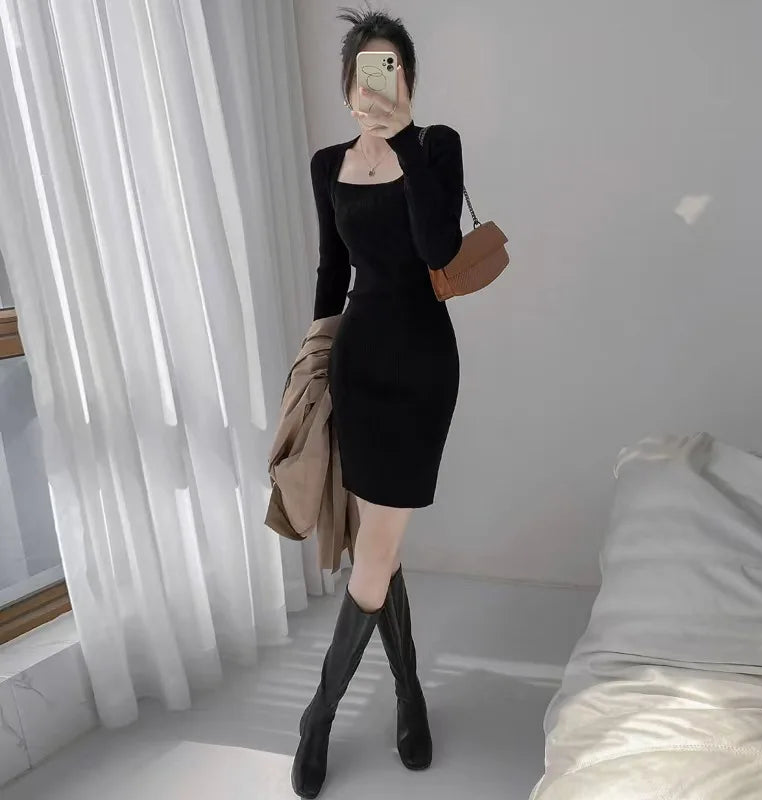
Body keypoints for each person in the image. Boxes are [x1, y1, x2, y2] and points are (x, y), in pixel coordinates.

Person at [291, 7, 463, 798]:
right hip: (356, 365)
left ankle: (317, 715)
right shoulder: (328, 163)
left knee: (375, 554)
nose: (377, 86)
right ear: (347, 84)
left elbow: (438, 248)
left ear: (410, 81)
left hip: (422, 367)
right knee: (379, 552)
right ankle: (409, 691)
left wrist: (403, 145)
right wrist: (312, 363)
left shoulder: (435, 146)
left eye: (391, 70)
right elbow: (333, 270)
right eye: (366, 71)